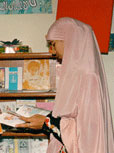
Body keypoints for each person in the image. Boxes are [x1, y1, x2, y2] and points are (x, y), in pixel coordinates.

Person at [16, 17, 114, 153]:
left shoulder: (88, 76)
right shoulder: (76, 74)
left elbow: (88, 132)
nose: (52, 51)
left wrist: (46, 122)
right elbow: (71, 117)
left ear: (68, 41)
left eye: (53, 44)